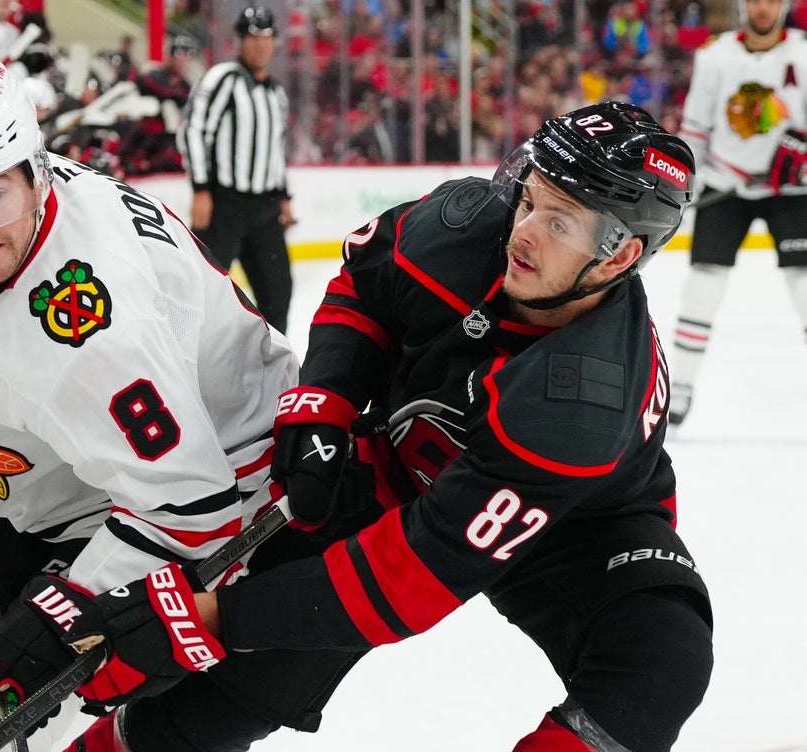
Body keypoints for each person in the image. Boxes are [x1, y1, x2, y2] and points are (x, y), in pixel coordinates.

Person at [39, 102, 717, 752]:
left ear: (618, 257)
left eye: (560, 222)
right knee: (242, 690)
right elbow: (365, 286)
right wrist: (325, 403)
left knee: (661, 666)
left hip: (575, 525)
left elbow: (412, 574)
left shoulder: (582, 399)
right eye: (531, 197)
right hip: (406, 470)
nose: (524, 230)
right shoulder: (470, 224)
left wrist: (215, 618)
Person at [0, 55, 300, 752]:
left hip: (179, 505)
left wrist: (58, 616)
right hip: (60, 473)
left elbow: (193, 507)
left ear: (33, 173)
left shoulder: (87, 325)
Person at [669, 0, 807, 424]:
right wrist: (685, 189)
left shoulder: (804, 52)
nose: (763, 8)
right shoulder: (715, 55)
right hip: (725, 182)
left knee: (805, 286)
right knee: (702, 287)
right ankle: (680, 388)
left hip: (791, 191)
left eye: (771, 0)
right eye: (755, 0)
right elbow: (695, 127)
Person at [177, 6, 294, 334]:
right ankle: (192, 358)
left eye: (267, 38)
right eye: (253, 37)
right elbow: (193, 131)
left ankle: (269, 364)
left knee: (278, 296)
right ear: (239, 41)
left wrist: (283, 196)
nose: (261, 45)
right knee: (203, 292)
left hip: (266, 209)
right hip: (224, 204)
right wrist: (201, 189)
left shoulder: (276, 92)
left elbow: (275, 149)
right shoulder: (223, 79)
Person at [115, 34, 198, 178]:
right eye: (180, 54)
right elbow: (151, 88)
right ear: (170, 56)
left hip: (167, 147)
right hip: (139, 140)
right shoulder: (154, 76)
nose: (184, 60)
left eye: (187, 56)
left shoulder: (186, 88)